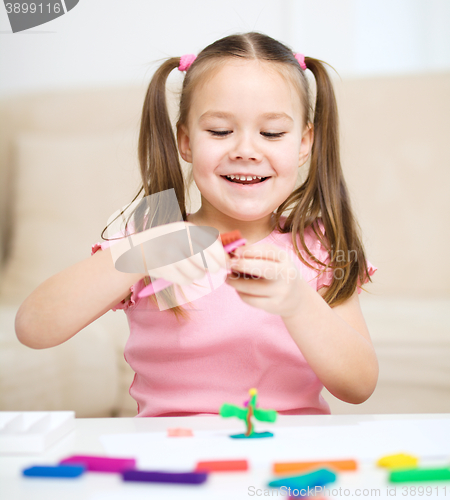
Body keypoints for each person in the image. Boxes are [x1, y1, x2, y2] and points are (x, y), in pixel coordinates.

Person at [15, 32, 378, 417]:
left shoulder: (317, 245)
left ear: (304, 143)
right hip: (173, 459)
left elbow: (358, 386)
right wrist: (142, 252)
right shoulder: (153, 237)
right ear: (185, 141)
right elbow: (34, 328)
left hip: (287, 464)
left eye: (272, 133)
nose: (246, 150)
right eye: (220, 131)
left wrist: (299, 303)